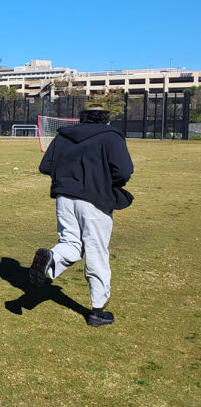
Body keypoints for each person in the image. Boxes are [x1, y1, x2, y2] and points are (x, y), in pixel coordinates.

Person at [29, 103, 134, 328]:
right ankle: (97, 310)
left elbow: (45, 166)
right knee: (96, 250)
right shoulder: (111, 136)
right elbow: (123, 171)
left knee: (70, 243)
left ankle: (50, 260)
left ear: (82, 117)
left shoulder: (64, 135)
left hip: (64, 197)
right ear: (106, 118)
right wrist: (107, 181)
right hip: (95, 200)